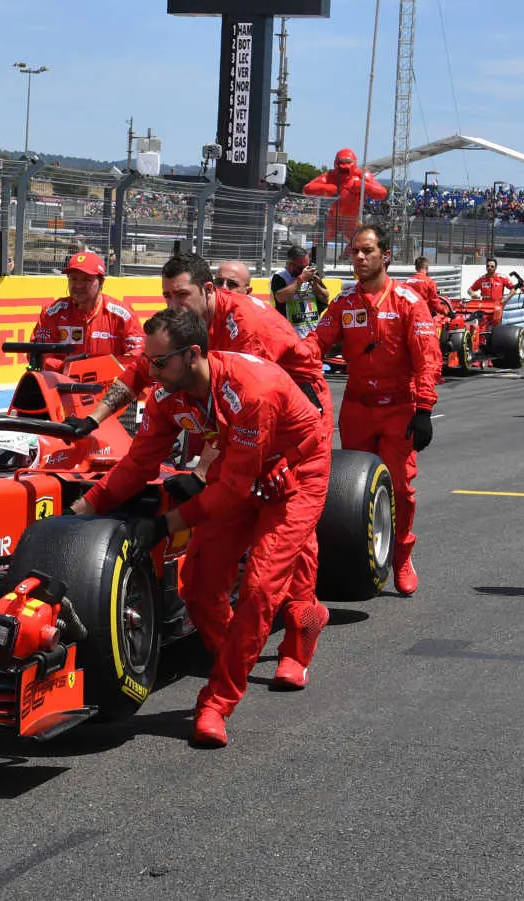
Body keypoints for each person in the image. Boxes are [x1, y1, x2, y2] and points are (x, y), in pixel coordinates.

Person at [70, 308, 330, 747]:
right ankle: (243, 651)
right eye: (147, 362)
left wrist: (165, 524)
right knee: (199, 588)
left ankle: (217, 700)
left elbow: (229, 493)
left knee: (260, 590)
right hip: (241, 470)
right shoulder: (167, 393)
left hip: (297, 475)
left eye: (159, 363)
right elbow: (138, 464)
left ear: (192, 355)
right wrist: (81, 510)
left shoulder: (252, 391)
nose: (150, 374)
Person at [71, 252, 332, 433]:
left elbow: (248, 401)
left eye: (182, 294)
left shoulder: (246, 324)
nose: (173, 305)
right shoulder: (184, 318)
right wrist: (94, 420)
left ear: (208, 289)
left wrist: (203, 471)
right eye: (167, 296)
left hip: (297, 406)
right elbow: (143, 368)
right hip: (238, 407)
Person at [313, 224, 440, 595]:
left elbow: (428, 361)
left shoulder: (408, 302)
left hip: (400, 409)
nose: (359, 258)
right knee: (348, 492)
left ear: (386, 256)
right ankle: (358, 557)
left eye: (367, 251)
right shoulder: (344, 304)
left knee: (400, 488)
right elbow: (314, 344)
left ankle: (401, 553)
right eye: (354, 252)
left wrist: (425, 410)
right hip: (356, 409)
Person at [30, 251, 145, 371]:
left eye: (86, 279)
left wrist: (102, 369)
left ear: (101, 282)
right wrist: (64, 367)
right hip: (62, 385)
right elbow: (37, 354)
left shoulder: (122, 316)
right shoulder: (51, 313)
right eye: (73, 278)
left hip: (110, 386)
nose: (78, 285)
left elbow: (138, 354)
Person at [271, 245, 330, 338]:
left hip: (312, 333)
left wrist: (315, 285)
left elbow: (325, 298)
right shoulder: (280, 276)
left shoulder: (310, 273)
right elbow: (280, 298)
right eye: (301, 268)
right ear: (290, 264)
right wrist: (301, 278)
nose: (305, 270)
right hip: (290, 334)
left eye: (307, 266)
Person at [468, 257, 520, 327]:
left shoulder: (502, 277)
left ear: (495, 268)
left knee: (496, 329)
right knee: (482, 328)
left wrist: (505, 299)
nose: (489, 268)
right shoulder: (481, 279)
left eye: (492, 266)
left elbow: (513, 289)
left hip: (497, 308)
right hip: (484, 308)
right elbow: (470, 290)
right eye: (488, 266)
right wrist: (473, 294)